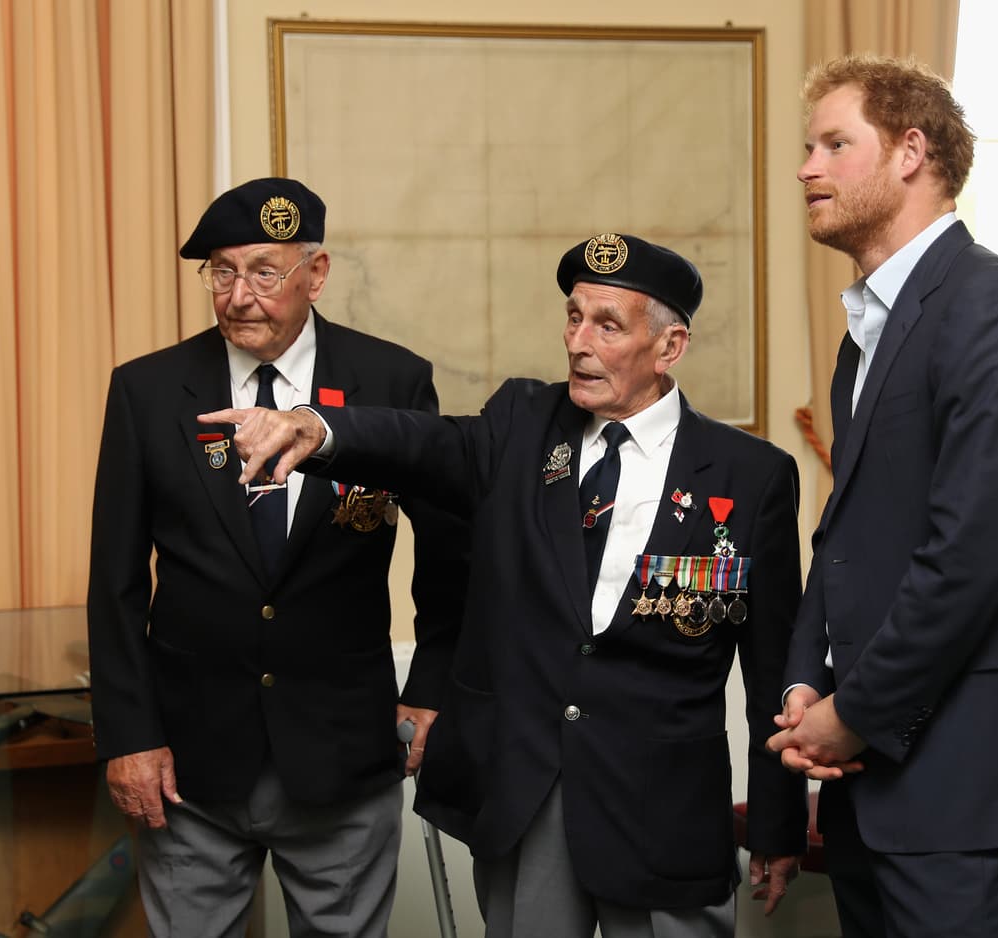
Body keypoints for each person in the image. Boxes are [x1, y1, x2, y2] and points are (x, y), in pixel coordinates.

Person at [199, 232, 810, 937]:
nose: (578, 341)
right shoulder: (523, 423)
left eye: (606, 325)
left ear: (669, 347)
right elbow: (426, 445)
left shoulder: (749, 474)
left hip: (665, 813)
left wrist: (777, 821)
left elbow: (774, 667)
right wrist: (316, 428)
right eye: (573, 317)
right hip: (532, 800)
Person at [765, 55, 998, 937]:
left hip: (961, 775)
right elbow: (842, 534)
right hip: (870, 778)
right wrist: (805, 681)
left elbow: (969, 557)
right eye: (809, 146)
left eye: (836, 144)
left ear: (911, 152)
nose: (807, 167)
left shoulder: (997, 307)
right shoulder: (866, 333)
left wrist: (852, 716)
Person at [87, 177, 467, 937]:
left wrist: (431, 686)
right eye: (221, 272)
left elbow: (451, 551)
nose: (238, 296)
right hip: (188, 762)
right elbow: (115, 581)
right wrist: (129, 736)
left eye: (264, 272)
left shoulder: (390, 381)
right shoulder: (149, 390)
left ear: (315, 274)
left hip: (341, 752)